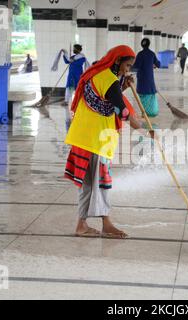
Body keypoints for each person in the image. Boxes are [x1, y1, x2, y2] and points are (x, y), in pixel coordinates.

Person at [64, 45, 153, 239]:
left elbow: (106, 94)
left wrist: (123, 85)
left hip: (82, 136)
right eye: (126, 65)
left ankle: (82, 225)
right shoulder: (110, 80)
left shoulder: (97, 72)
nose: (127, 70)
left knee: (88, 185)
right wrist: (147, 131)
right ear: (117, 61)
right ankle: (106, 224)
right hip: (96, 140)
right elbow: (124, 112)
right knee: (102, 183)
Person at [132, 38, 161, 117]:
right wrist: (152, 64)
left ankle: (144, 113)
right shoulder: (152, 54)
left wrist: (128, 67)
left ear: (142, 45)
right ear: (149, 44)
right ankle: (150, 112)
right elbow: (159, 64)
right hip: (150, 81)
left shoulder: (140, 54)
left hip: (142, 80)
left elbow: (135, 67)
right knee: (149, 96)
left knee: (143, 97)